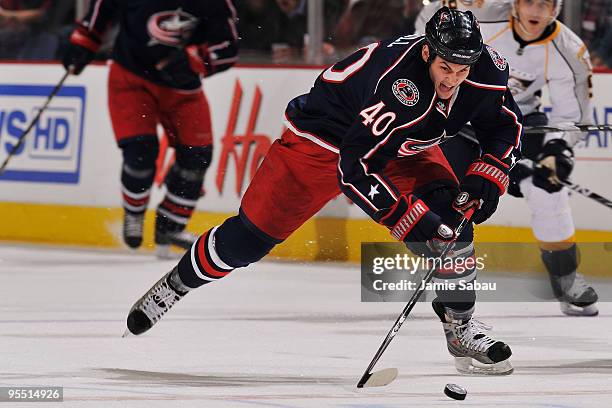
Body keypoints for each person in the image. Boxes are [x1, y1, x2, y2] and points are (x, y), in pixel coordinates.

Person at [126, 8, 522, 375]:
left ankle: (460, 328)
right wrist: (405, 219)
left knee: (453, 226)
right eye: (445, 68)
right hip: (322, 142)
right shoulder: (399, 87)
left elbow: (504, 124)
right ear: (426, 54)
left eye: (462, 70)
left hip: (402, 143)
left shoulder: (485, 69)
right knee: (246, 241)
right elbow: (355, 167)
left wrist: (485, 179)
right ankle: (177, 284)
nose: (453, 79)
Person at [417, 0, 599, 316]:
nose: (536, 11)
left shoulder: (568, 50)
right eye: (529, 1)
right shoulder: (478, 20)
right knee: (444, 194)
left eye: (545, 4)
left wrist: (558, 151)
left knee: (548, 189)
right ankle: (443, 275)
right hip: (459, 119)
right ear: (514, 3)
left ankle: (565, 277)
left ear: (556, 8)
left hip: (517, 122)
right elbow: (427, 40)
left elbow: (572, 116)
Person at [61, 1, 238, 257]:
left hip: (181, 87)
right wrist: (84, 41)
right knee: (140, 151)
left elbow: (229, 46)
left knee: (197, 156)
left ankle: (170, 227)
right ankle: (134, 212)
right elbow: (103, 9)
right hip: (131, 77)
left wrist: (195, 59)